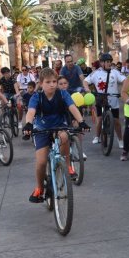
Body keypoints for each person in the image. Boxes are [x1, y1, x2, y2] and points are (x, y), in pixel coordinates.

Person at [23, 67, 90, 203]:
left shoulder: (63, 94)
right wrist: (28, 124)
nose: (52, 84)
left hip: (60, 125)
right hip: (41, 128)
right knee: (41, 162)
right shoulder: (37, 97)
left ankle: (67, 166)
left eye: (54, 81)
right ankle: (39, 188)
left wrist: (81, 121)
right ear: (41, 84)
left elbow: (72, 107)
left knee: (65, 137)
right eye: (48, 82)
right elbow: (30, 111)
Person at [83, 53, 126, 147]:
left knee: (116, 121)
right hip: (100, 98)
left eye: (110, 61)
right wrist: (87, 89)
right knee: (99, 118)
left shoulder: (115, 72)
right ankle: (97, 136)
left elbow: (125, 81)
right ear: (101, 63)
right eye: (106, 62)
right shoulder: (96, 73)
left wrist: (124, 90)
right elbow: (85, 81)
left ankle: (120, 140)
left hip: (113, 99)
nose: (109, 63)